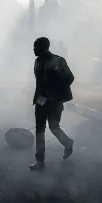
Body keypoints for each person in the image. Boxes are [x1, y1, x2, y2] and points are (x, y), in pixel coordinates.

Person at [30, 37, 75, 171]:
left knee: (54, 127)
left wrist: (56, 93)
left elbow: (70, 77)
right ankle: (39, 160)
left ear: (44, 47)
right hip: (41, 101)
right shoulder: (37, 62)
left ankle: (67, 142)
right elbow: (39, 82)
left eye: (36, 47)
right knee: (39, 130)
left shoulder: (59, 61)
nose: (33, 49)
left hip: (55, 101)